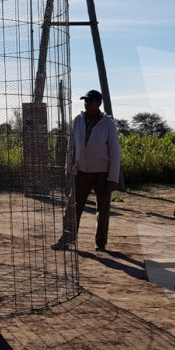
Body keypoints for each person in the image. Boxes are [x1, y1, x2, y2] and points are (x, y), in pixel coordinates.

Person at [51, 90, 122, 252]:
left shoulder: (108, 124)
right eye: (85, 101)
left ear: (99, 103)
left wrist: (113, 178)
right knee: (72, 207)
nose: (87, 103)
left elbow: (115, 152)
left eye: (90, 101)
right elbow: (71, 146)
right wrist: (68, 169)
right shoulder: (78, 120)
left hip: (103, 174)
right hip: (81, 171)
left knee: (102, 210)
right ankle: (66, 239)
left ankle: (100, 243)